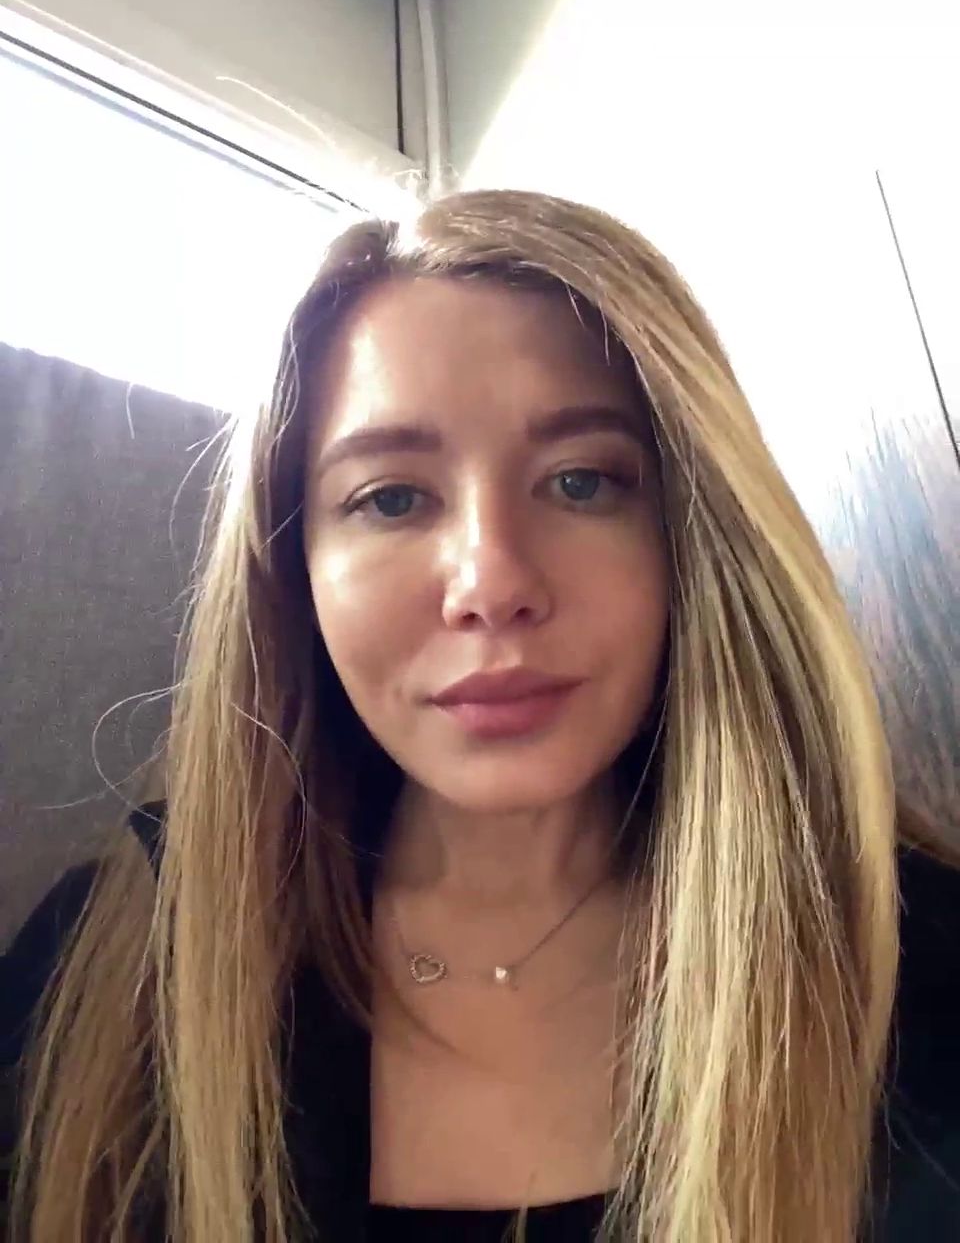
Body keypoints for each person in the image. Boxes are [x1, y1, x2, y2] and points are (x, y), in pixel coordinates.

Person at [2, 188, 959, 1243]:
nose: (491, 582)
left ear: (696, 537)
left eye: (582, 482)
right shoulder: (110, 969)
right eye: (392, 498)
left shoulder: (915, 964)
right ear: (293, 568)